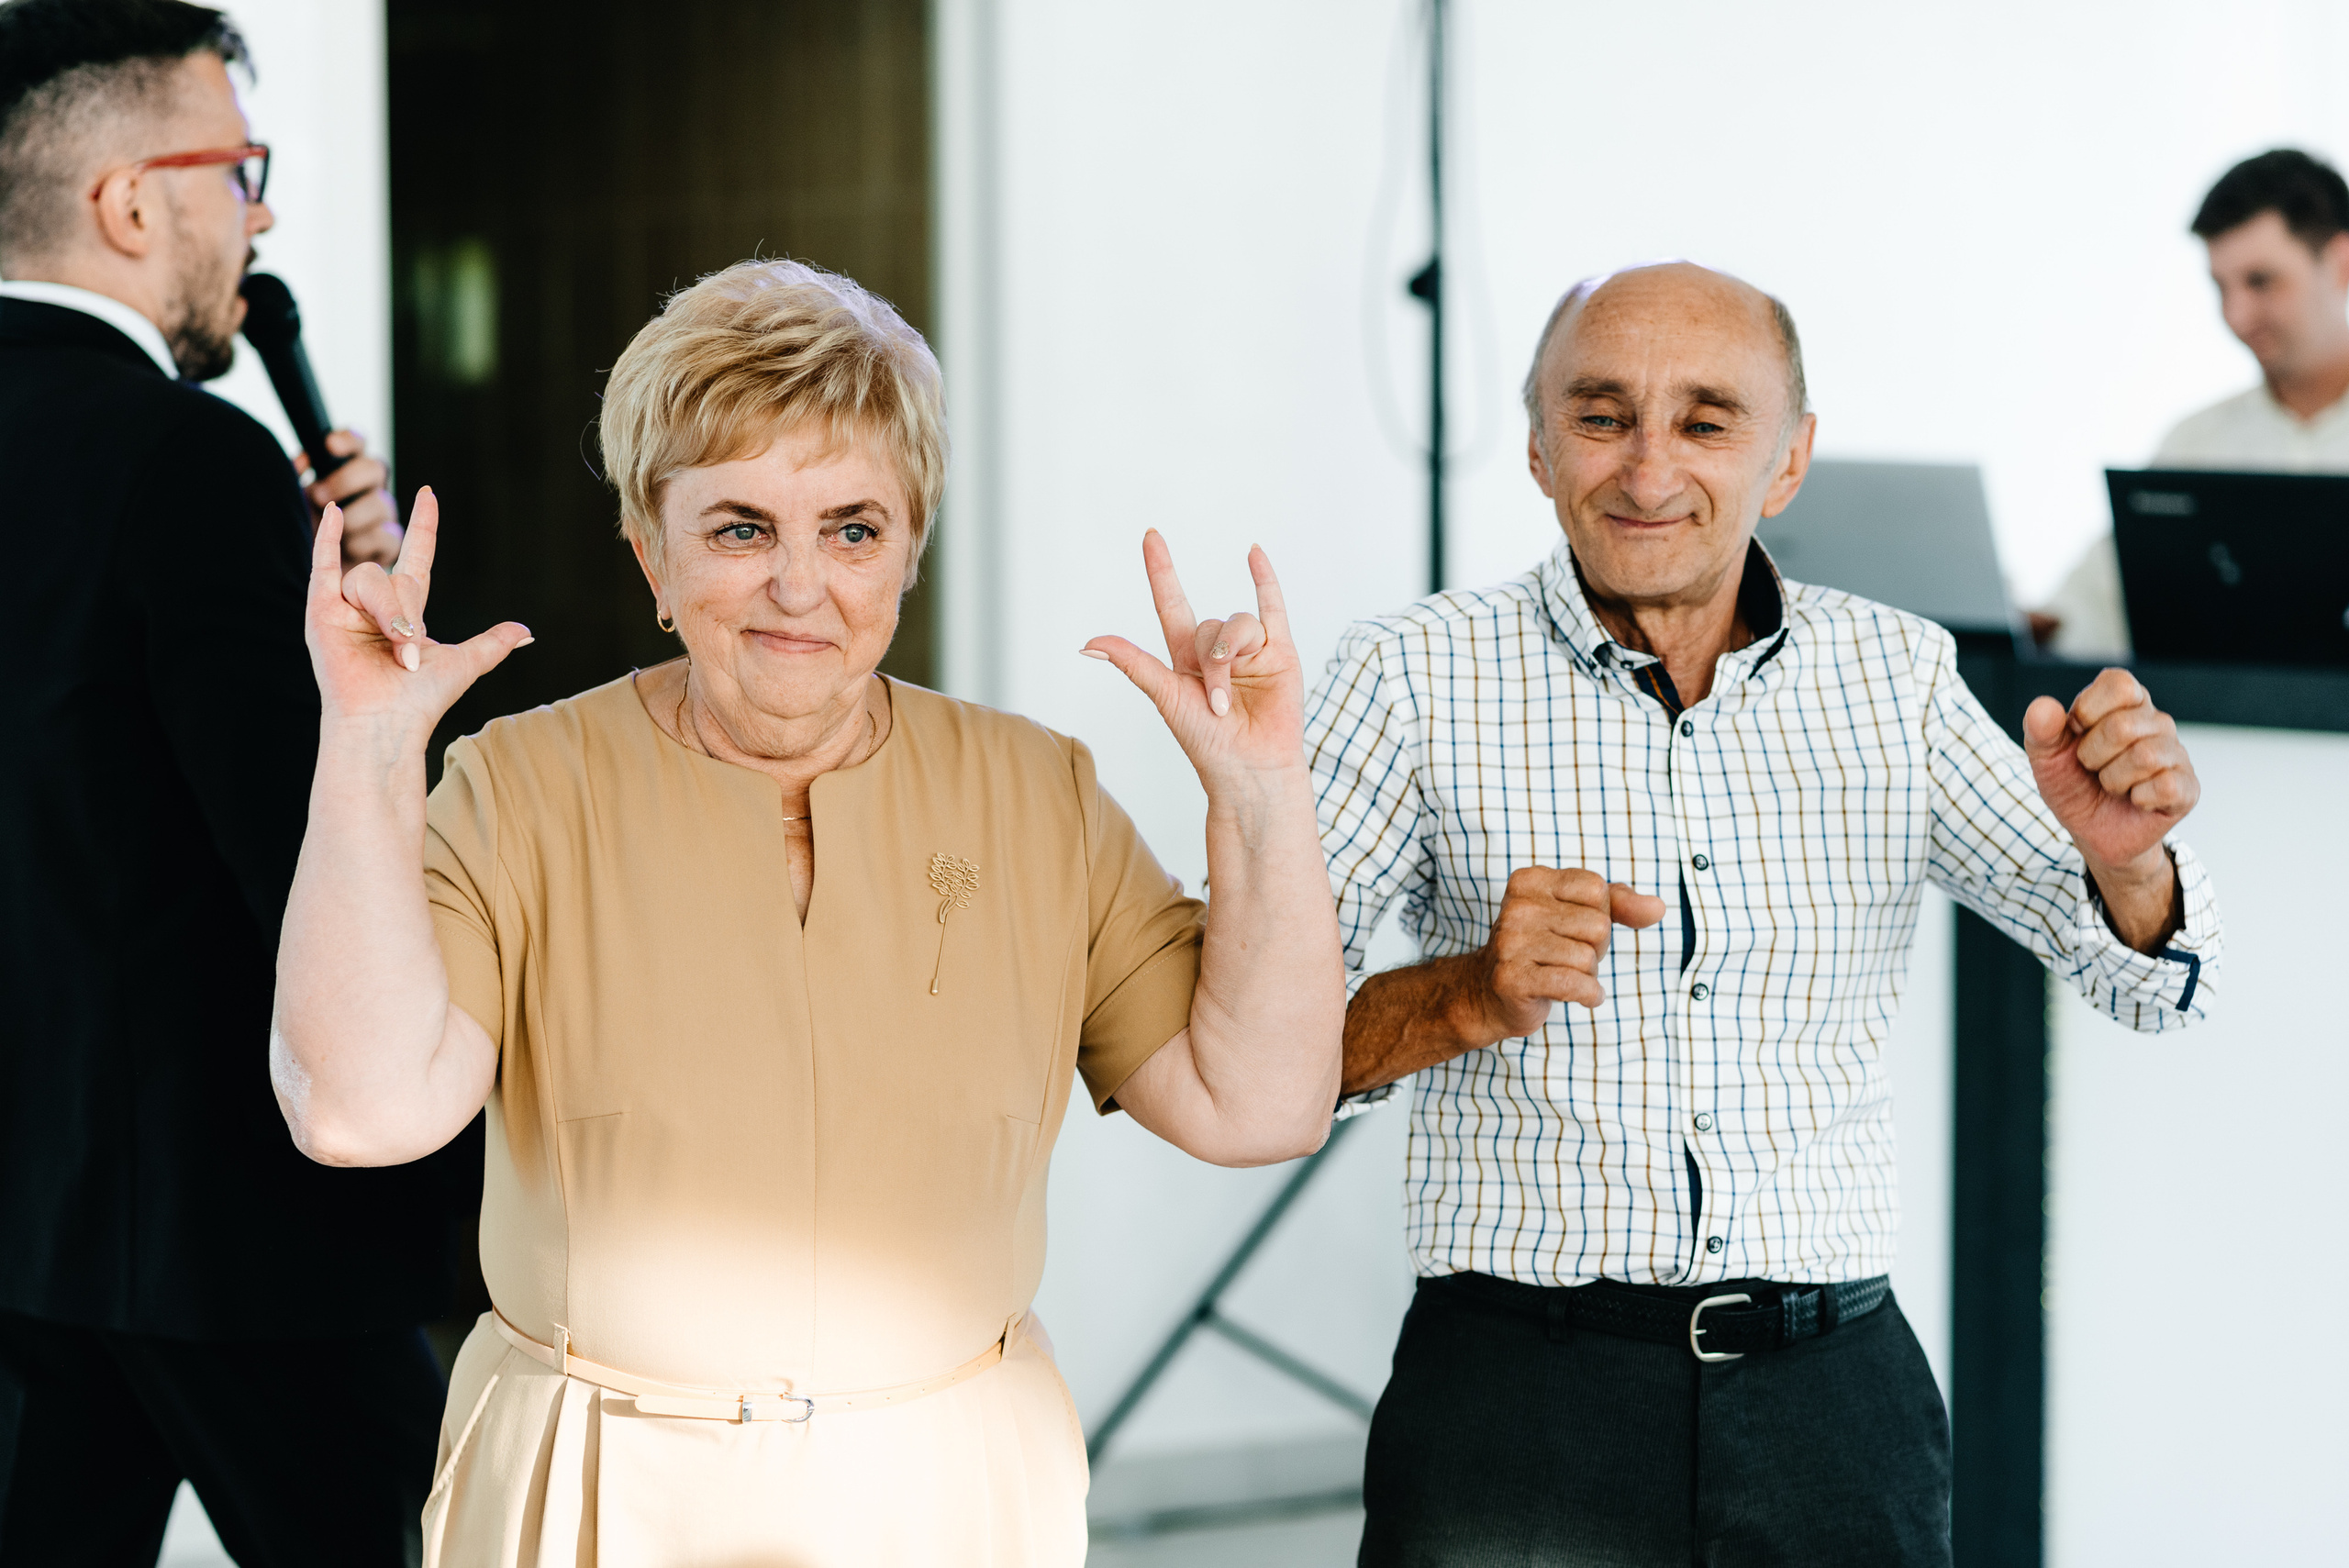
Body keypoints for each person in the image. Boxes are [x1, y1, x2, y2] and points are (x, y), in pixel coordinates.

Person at [268, 257, 1345, 1566]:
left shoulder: (1036, 788)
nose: (800, 586)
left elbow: (1261, 1102)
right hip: (604, 1493)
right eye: (739, 528)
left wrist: (1260, 788)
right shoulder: (522, 782)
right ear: (648, 548)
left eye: (853, 527)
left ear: (909, 549)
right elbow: (358, 1110)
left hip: (949, 1497)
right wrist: (367, 748)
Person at [1309, 261, 2221, 1566]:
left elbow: (2153, 986)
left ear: (1788, 462)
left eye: (1707, 420)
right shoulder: (1406, 674)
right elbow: (1262, 1059)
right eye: (1603, 414)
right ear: (1535, 446)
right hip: (1517, 1402)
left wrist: (2130, 867)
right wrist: (1463, 993)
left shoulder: (1895, 675)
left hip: (1833, 1404)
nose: (1647, 469)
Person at [0, 2, 452, 1563]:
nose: (258, 214)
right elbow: (311, 850)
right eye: (237, 169)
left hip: (28, 1229)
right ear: (131, 200)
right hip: (239, 1239)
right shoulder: (187, 459)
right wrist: (384, 695)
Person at [2038, 148, 2349, 655]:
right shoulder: (2196, 443)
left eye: (2261, 281)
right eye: (2220, 287)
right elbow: (2086, 611)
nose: (2236, 315)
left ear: (2339, 263)